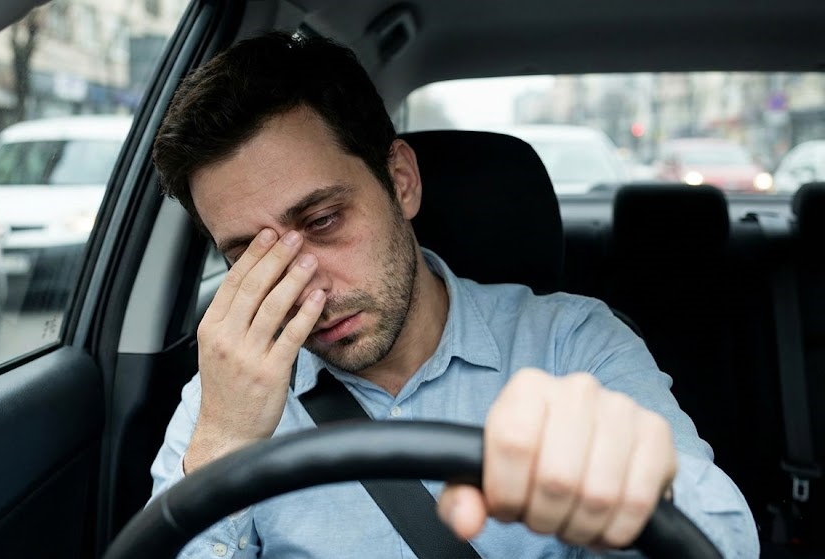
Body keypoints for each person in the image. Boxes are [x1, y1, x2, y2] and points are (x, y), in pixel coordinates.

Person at [148, 31, 757, 558]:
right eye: (252, 257)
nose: (305, 286)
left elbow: (719, 539)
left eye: (324, 220)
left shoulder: (570, 344)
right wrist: (223, 448)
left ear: (401, 181)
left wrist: (638, 487)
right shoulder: (223, 400)